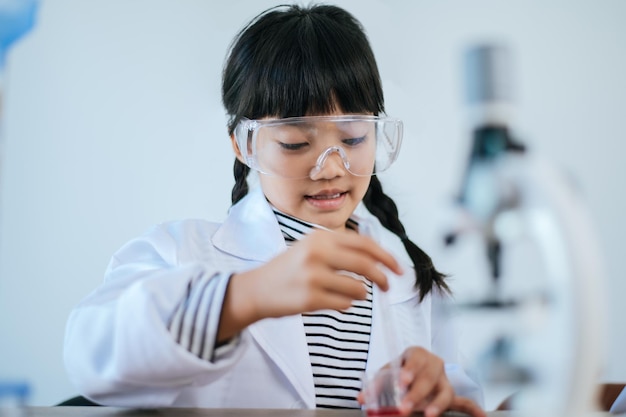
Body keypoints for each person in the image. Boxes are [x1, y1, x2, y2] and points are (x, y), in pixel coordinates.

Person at [63, 4, 485, 417]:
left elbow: (466, 398)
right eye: (296, 144)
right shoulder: (179, 252)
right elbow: (91, 355)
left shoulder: (411, 277)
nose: (332, 168)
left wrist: (438, 394)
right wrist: (243, 297)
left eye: (354, 138)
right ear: (242, 144)